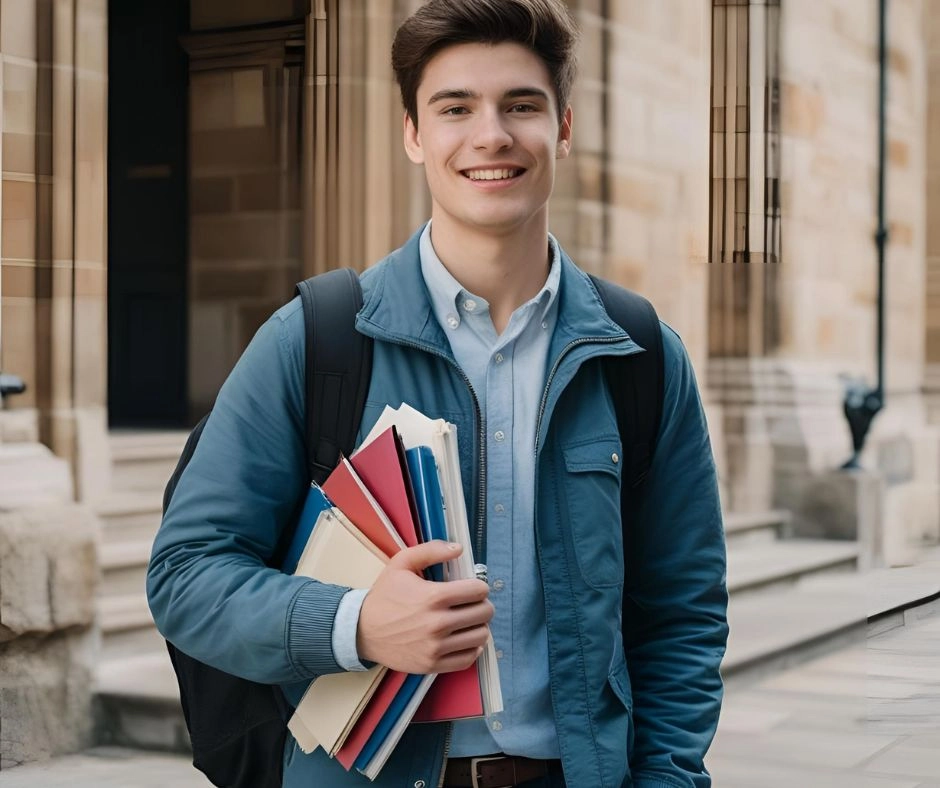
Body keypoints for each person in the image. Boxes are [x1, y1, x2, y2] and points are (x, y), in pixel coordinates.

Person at [147, 1, 728, 786]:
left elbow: (683, 613)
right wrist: (354, 625)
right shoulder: (315, 339)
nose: (491, 135)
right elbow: (186, 574)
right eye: (455, 108)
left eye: (520, 105)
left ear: (562, 127)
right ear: (414, 135)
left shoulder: (640, 355)